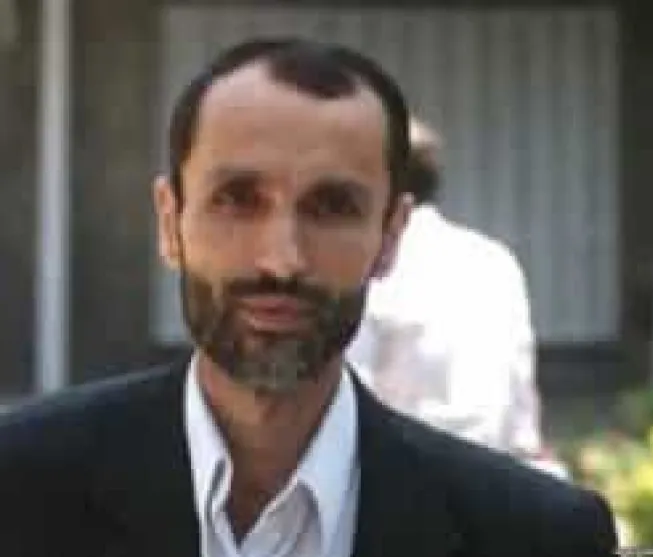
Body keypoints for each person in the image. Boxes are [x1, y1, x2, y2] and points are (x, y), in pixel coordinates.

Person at [0, 38, 617, 556]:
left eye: (332, 207)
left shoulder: (535, 536)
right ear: (170, 221)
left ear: (389, 236)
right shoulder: (20, 487)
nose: (282, 259)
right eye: (237, 200)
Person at [347, 118, 546, 462]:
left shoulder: (371, 266)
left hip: (404, 469)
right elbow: (520, 386)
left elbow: (350, 393)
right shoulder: (493, 259)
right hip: (496, 465)